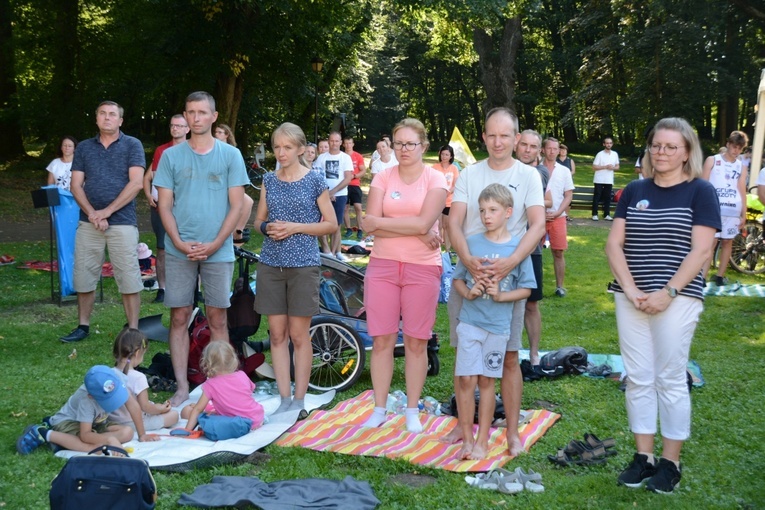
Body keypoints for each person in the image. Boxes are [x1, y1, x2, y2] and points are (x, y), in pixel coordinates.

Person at [605, 117, 720, 494]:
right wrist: (631, 288)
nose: (662, 152)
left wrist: (667, 292)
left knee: (670, 377)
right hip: (631, 296)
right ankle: (644, 457)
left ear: (687, 152)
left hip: (678, 298)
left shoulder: (701, 191)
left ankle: (671, 463)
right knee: (637, 378)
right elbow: (613, 245)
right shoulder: (635, 189)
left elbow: (701, 249)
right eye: (657, 145)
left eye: (671, 146)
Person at [446, 109, 545, 455]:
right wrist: (468, 261)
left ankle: (513, 431)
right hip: (470, 269)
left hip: (509, 274)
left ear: (516, 138)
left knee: (508, 358)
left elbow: (537, 224)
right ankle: (464, 427)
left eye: (505, 135)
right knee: (465, 356)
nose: (498, 142)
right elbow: (454, 222)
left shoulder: (529, 175)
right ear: (484, 137)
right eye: (492, 135)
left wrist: (511, 263)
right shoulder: (469, 174)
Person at [154, 91, 249, 406]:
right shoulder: (171, 157)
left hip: (218, 249)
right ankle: (182, 386)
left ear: (213, 116)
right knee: (179, 316)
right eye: (190, 112)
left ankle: (219, 384)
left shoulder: (230, 156)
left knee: (218, 317)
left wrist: (217, 243)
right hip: (180, 248)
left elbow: (237, 206)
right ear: (186, 115)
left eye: (202, 112)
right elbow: (164, 206)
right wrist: (179, 242)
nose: (196, 118)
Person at [360, 118, 447, 433]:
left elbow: (424, 224)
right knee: (381, 339)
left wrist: (401, 225)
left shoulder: (436, 179)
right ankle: (379, 408)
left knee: (415, 341)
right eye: (399, 143)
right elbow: (368, 222)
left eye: (411, 143)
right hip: (382, 266)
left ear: (423, 146)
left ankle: (412, 409)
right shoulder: (383, 176)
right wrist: (415, 227)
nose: (404, 149)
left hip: (422, 268)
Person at [253, 122, 336, 414]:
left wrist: (295, 228)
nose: (281, 152)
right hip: (271, 265)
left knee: (300, 336)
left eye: (287, 147)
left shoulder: (314, 180)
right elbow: (257, 221)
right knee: (276, 334)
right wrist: (267, 228)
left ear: (301, 149)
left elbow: (331, 223)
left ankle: (299, 400)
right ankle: (284, 398)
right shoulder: (269, 180)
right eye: (277, 146)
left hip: (303, 265)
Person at [452, 183, 535, 460]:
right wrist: (470, 292)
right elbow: (457, 280)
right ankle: (466, 439)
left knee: (487, 382)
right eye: (483, 210)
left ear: (508, 212)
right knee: (466, 379)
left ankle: (482, 442)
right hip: (469, 322)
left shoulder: (517, 248)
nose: (487, 216)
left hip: (498, 329)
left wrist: (500, 297)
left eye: (493, 210)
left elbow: (526, 289)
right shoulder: (472, 243)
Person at [60, 101, 145, 343]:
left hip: (122, 222)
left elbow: (136, 183)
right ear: (96, 119)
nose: (107, 118)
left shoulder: (132, 145)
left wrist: (106, 212)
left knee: (128, 276)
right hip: (89, 223)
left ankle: (133, 329)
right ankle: (82, 326)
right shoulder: (85, 148)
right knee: (84, 275)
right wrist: (93, 213)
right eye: (102, 114)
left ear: (120, 120)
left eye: (112, 114)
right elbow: (75, 185)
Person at [16, 365, 159, 454]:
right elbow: (85, 435)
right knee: (97, 448)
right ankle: (42, 433)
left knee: (127, 433)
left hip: (96, 423)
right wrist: (108, 441)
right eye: (108, 400)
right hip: (69, 422)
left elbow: (133, 405)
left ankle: (66, 442)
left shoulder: (116, 378)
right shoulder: (86, 401)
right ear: (91, 395)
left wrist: (142, 434)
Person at [143, 115, 189, 303]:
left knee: (191, 246)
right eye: (173, 125)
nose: (175, 128)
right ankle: (162, 289)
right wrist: (150, 195)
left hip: (187, 207)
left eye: (179, 126)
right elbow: (157, 177)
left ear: (187, 129)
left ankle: (193, 288)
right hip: (163, 206)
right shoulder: (162, 150)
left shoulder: (195, 149)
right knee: (162, 248)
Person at [513, 130, 548, 367]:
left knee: (531, 303)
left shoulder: (540, 173)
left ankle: (534, 353)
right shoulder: (503, 169)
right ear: (516, 144)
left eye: (533, 147)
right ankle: (509, 352)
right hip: (502, 246)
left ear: (539, 151)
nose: (527, 150)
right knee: (504, 303)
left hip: (531, 248)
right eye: (523, 144)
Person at [181, 341, 265, 432]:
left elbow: (198, 409)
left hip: (236, 424)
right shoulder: (242, 375)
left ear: (206, 364)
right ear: (234, 359)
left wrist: (187, 431)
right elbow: (250, 390)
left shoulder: (210, 385)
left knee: (196, 414)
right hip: (257, 419)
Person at [701, 130, 749, 286]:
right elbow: (703, 185)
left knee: (727, 242)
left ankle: (720, 276)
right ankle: (702, 277)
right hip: (713, 208)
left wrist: (744, 212)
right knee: (711, 242)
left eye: (739, 148)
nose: (736, 151)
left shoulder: (741, 166)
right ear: (727, 144)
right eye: (734, 146)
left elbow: (742, 189)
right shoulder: (712, 160)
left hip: (733, 209)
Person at [109, 327, 179, 430]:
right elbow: (145, 407)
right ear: (137, 353)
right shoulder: (138, 377)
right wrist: (160, 408)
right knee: (174, 415)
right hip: (134, 423)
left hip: (111, 421)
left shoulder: (109, 373)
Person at [542, 137, 574, 297]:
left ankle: (559, 286)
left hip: (558, 217)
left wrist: (558, 212)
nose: (552, 151)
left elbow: (568, 195)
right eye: (549, 148)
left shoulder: (564, 171)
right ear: (543, 149)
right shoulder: (536, 169)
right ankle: (530, 285)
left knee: (558, 252)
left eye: (555, 149)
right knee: (531, 251)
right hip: (538, 218)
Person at [314, 131, 353, 261]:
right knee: (321, 223)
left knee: (336, 225)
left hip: (340, 195)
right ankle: (327, 251)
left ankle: (334, 253)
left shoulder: (345, 158)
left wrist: (333, 191)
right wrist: (326, 193)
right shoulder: (321, 158)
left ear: (340, 142)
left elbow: (348, 178)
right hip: (323, 196)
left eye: (337, 141)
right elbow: (317, 178)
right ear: (328, 141)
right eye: (332, 141)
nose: (334, 143)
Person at [214, 123, 255, 245]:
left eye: (220, 132)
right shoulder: (212, 149)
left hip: (231, 184)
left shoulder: (233, 151)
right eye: (215, 132)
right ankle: (233, 234)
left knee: (248, 202)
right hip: (219, 184)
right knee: (244, 202)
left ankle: (238, 231)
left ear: (227, 135)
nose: (216, 134)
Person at [434, 144, 460, 251]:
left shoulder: (454, 168)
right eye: (442, 154)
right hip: (437, 201)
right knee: (438, 225)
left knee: (447, 226)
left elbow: (456, 184)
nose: (444, 156)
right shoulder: (434, 168)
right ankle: (438, 249)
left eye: (447, 154)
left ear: (451, 156)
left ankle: (448, 250)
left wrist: (448, 192)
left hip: (450, 201)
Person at [342, 136, 367, 241]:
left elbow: (363, 170)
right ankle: (348, 229)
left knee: (358, 207)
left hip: (355, 184)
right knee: (345, 208)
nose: (348, 145)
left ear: (353, 144)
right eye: (346, 143)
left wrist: (355, 176)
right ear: (343, 144)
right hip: (344, 185)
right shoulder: (341, 156)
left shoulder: (357, 156)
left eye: (350, 143)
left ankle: (360, 229)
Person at [591, 137, 619, 221]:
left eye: (610, 143)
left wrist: (612, 167)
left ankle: (606, 214)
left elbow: (617, 166)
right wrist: (605, 167)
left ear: (612, 144)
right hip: (599, 179)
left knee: (607, 197)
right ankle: (594, 214)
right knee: (597, 196)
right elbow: (594, 167)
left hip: (609, 180)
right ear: (604, 144)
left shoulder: (615, 154)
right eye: (607, 143)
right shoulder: (600, 154)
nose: (609, 144)